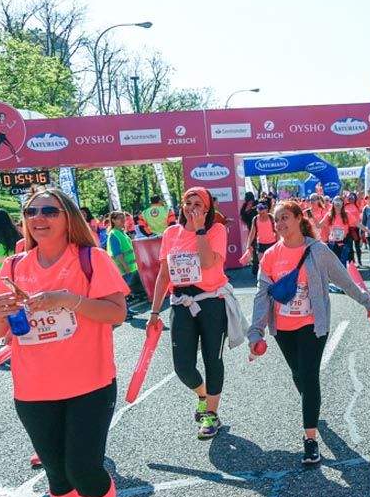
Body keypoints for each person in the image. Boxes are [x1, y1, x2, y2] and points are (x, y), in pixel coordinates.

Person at [0, 189, 133, 497]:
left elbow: (117, 313)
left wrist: (68, 299)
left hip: (89, 383)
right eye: (31, 211)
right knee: (58, 476)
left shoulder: (90, 259)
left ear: (67, 217)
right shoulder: (15, 265)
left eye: (49, 210)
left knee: (84, 470)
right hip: (33, 390)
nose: (38, 217)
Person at [247, 200, 370, 465]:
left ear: (299, 218)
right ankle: (312, 406)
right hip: (283, 329)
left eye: (285, 217)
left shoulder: (317, 251)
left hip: (312, 325)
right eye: (277, 220)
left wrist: (367, 302)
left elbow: (343, 278)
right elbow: (261, 295)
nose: (280, 224)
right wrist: (256, 332)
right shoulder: (270, 255)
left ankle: (310, 439)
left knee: (308, 376)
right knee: (298, 374)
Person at [150, 187, 248, 440]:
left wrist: (201, 229)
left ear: (206, 208)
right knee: (182, 366)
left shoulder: (216, 230)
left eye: (198, 203)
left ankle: (211, 414)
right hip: (181, 302)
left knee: (212, 359)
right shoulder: (171, 233)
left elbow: (206, 263)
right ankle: (203, 395)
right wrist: (154, 312)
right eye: (188, 202)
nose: (192, 207)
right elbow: (163, 274)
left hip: (211, 302)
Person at [105, 211, 145, 301]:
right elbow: (117, 254)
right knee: (124, 293)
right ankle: (127, 312)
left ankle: (129, 309)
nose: (123, 220)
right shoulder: (114, 234)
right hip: (123, 270)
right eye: (119, 218)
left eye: (123, 218)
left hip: (131, 268)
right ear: (113, 220)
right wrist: (126, 268)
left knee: (131, 291)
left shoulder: (122, 232)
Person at [241, 203, 277, 277]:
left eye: (263, 213)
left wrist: (279, 243)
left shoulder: (271, 218)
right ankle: (263, 279)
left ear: (267, 210)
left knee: (273, 262)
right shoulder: (255, 219)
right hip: (261, 244)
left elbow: (277, 232)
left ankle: (273, 277)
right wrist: (248, 245)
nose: (261, 215)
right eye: (259, 213)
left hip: (272, 243)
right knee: (262, 263)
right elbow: (252, 233)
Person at [323, 197, 351, 263]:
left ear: (342, 204)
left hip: (344, 242)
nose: (338, 203)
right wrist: (311, 215)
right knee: (333, 264)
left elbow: (358, 224)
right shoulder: (329, 215)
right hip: (332, 243)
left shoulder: (347, 214)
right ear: (333, 204)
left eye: (340, 202)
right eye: (336, 202)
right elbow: (318, 225)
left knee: (342, 263)